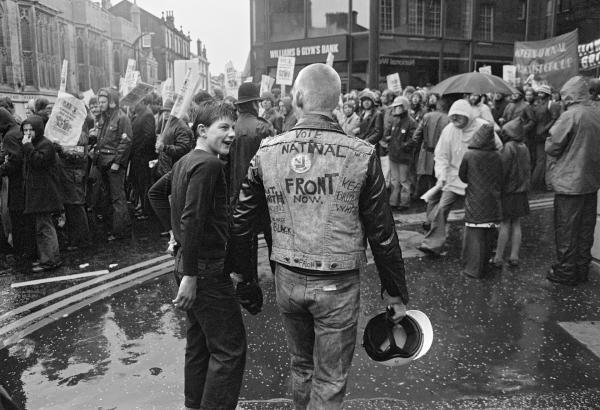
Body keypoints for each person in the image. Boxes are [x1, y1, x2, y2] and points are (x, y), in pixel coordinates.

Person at [227, 63, 409, 410]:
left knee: (302, 367)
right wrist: (395, 292)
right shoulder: (361, 154)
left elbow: (241, 220)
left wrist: (245, 279)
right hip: (337, 283)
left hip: (288, 278)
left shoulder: (267, 151)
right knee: (330, 378)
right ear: (337, 101)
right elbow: (383, 233)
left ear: (297, 98)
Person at [148, 102, 247, 410]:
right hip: (204, 271)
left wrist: (174, 234)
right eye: (224, 128)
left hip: (191, 267)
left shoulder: (186, 162)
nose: (231, 134)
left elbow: (156, 194)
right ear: (202, 131)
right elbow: (192, 217)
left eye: (233, 127)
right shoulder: (210, 165)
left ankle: (194, 405)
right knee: (230, 350)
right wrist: (190, 274)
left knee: (200, 344)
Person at [418, 99, 502, 256]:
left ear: (468, 115)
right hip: (453, 178)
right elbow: (441, 155)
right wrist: (441, 175)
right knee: (442, 208)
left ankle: (490, 245)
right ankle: (432, 244)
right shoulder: (449, 130)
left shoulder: (482, 126)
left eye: (459, 115)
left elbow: (498, 148)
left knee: (482, 214)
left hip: (477, 180)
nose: (455, 119)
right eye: (453, 115)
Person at [545, 76, 600, 286]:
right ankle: (581, 269)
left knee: (567, 230)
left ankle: (566, 271)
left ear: (569, 95)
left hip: (569, 183)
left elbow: (552, 146)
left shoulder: (571, 115)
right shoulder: (596, 113)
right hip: (591, 182)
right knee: (585, 230)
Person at [229, 82, 274, 276]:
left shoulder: (229, 128)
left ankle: (248, 284)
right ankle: (280, 279)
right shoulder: (263, 127)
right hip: (263, 192)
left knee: (245, 242)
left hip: (237, 193)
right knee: (273, 237)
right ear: (255, 103)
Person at [458, 124, 503, 278]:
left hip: (475, 199)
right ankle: (485, 267)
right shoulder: (498, 156)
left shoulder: (469, 155)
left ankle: (473, 269)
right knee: (489, 234)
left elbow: (462, 176)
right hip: (493, 200)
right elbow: (502, 176)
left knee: (475, 235)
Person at [21, 115, 63, 273]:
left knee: (45, 227)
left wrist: (28, 147)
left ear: (37, 129)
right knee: (41, 227)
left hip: (44, 192)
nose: (27, 133)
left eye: (30, 130)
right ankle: (46, 258)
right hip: (37, 192)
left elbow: (39, 162)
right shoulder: (35, 143)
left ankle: (51, 260)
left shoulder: (45, 144)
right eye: (25, 130)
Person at [92, 88, 132, 241]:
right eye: (99, 102)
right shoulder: (104, 118)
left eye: (103, 102)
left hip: (113, 164)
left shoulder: (122, 118)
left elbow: (126, 142)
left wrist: (117, 162)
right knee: (108, 197)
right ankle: (113, 228)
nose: (100, 104)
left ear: (111, 102)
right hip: (103, 163)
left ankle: (121, 231)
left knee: (118, 198)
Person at [492, 118, 531, 268]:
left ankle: (498, 256)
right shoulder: (524, 147)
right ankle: (514, 255)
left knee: (504, 223)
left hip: (509, 190)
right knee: (516, 223)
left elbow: (503, 169)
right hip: (521, 191)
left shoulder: (508, 147)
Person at [0, 108, 34, 265]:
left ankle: (23, 254)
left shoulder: (8, 136)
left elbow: (15, 161)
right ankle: (30, 251)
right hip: (27, 182)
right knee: (27, 220)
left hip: (17, 184)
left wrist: (2, 169)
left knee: (18, 218)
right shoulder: (18, 131)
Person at [411, 97, 450, 197]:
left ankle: (429, 196)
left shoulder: (427, 116)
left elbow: (416, 136)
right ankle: (437, 197)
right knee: (440, 176)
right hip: (441, 152)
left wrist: (417, 148)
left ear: (438, 106)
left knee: (429, 177)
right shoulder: (449, 118)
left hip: (426, 151)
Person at [385, 96, 417, 210]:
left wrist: (404, 146)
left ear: (404, 107)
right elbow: (391, 134)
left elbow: (413, 139)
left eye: (398, 107)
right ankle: (393, 202)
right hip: (394, 155)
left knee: (404, 180)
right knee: (395, 180)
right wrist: (389, 140)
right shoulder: (395, 120)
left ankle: (404, 202)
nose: (395, 109)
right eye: (395, 107)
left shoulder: (411, 122)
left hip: (404, 157)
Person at [130, 95, 157, 220]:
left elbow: (149, 136)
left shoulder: (147, 115)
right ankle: (143, 207)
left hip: (143, 157)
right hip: (138, 156)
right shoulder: (138, 115)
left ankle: (146, 211)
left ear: (142, 102)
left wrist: (139, 151)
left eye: (134, 103)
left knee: (144, 184)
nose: (132, 105)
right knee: (140, 184)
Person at [531, 84, 561, 190]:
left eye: (542, 92)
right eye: (539, 92)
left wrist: (544, 129)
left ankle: (544, 183)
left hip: (547, 135)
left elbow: (554, 119)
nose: (539, 94)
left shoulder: (551, 105)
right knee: (541, 160)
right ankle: (537, 183)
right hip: (538, 135)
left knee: (547, 160)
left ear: (547, 94)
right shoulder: (538, 104)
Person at [155, 99, 194, 179]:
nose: (165, 113)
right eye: (164, 111)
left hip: (173, 170)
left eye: (168, 111)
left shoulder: (181, 126)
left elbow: (183, 149)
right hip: (165, 169)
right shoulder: (166, 124)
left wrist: (164, 148)